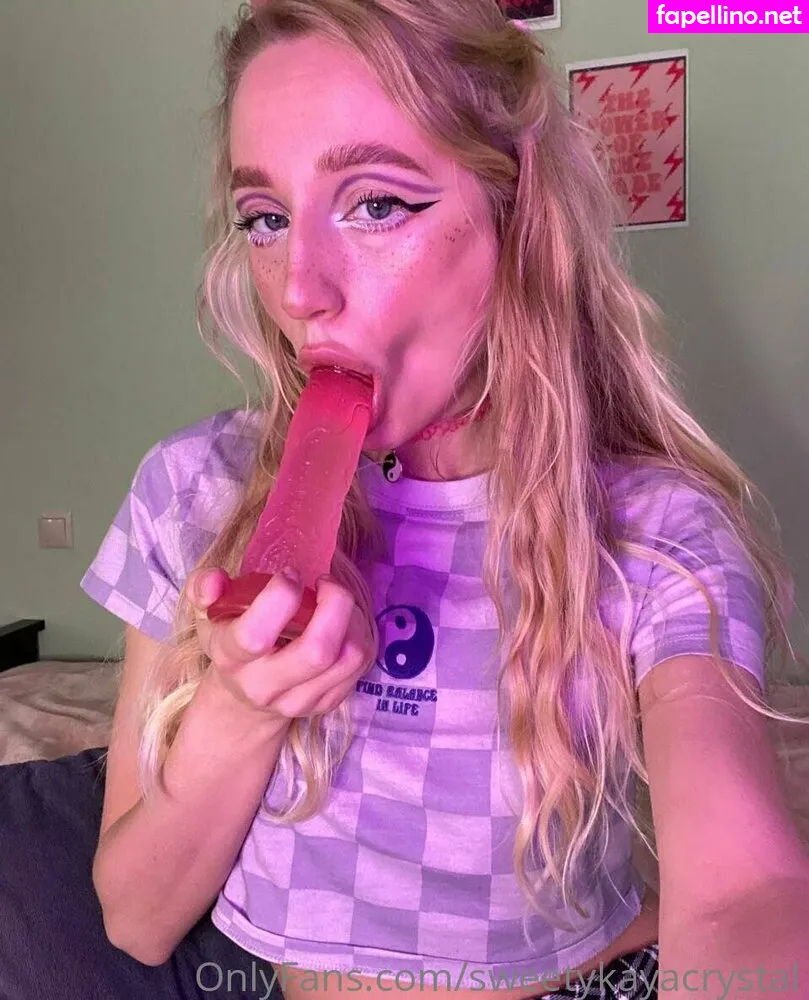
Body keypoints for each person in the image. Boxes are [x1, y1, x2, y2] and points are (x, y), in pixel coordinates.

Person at [80, 1, 809, 998]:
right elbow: (134, 920)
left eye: (377, 204)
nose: (299, 289)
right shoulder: (192, 492)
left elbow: (743, 888)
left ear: (515, 215)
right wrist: (241, 706)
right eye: (266, 218)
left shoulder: (655, 533)